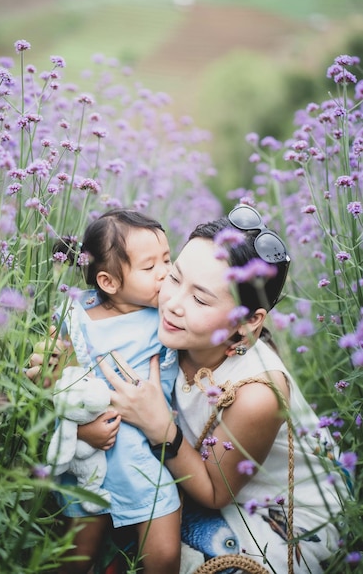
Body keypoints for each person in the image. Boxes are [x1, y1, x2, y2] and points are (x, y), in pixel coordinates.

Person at [91, 205, 348, 574]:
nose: (173, 304)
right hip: (190, 473)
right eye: (175, 278)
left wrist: (160, 428)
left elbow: (215, 493)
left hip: (274, 508)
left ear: (246, 323)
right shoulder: (165, 325)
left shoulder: (258, 392)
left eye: (200, 299)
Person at [28, 209, 181, 574]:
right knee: (76, 558)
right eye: (149, 267)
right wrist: (80, 431)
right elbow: (53, 389)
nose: (165, 273)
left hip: (143, 461)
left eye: (167, 260)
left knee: (163, 556)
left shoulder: (167, 313)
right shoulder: (75, 315)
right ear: (108, 282)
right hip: (87, 464)